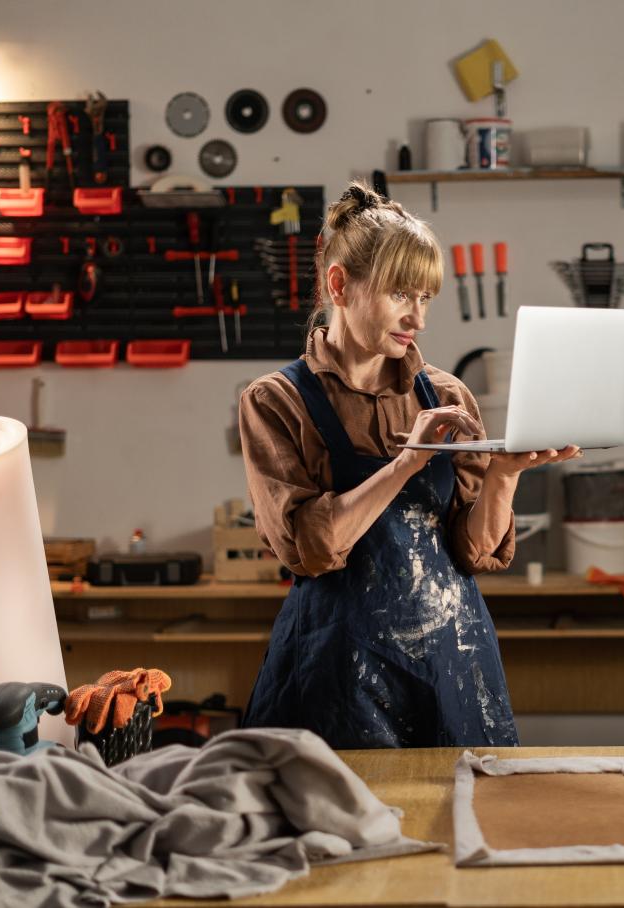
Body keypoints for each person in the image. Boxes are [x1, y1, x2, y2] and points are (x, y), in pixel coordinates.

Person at [238, 182, 579, 748]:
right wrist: (407, 463)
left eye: (425, 299)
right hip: (335, 673)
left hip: (451, 664)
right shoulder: (276, 400)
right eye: (401, 294)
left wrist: (506, 475)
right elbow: (310, 548)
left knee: (464, 822)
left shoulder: (446, 395)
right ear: (340, 284)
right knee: (335, 830)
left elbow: (473, 552)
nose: (417, 318)